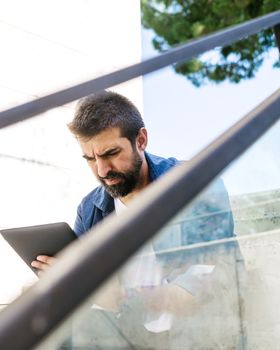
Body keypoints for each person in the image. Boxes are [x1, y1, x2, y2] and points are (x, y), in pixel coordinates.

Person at [32, 90, 245, 349]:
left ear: (141, 139)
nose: (102, 170)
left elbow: (212, 280)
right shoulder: (90, 208)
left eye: (110, 153)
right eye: (90, 159)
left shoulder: (194, 184)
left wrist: (114, 296)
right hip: (124, 334)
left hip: (191, 335)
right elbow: (91, 291)